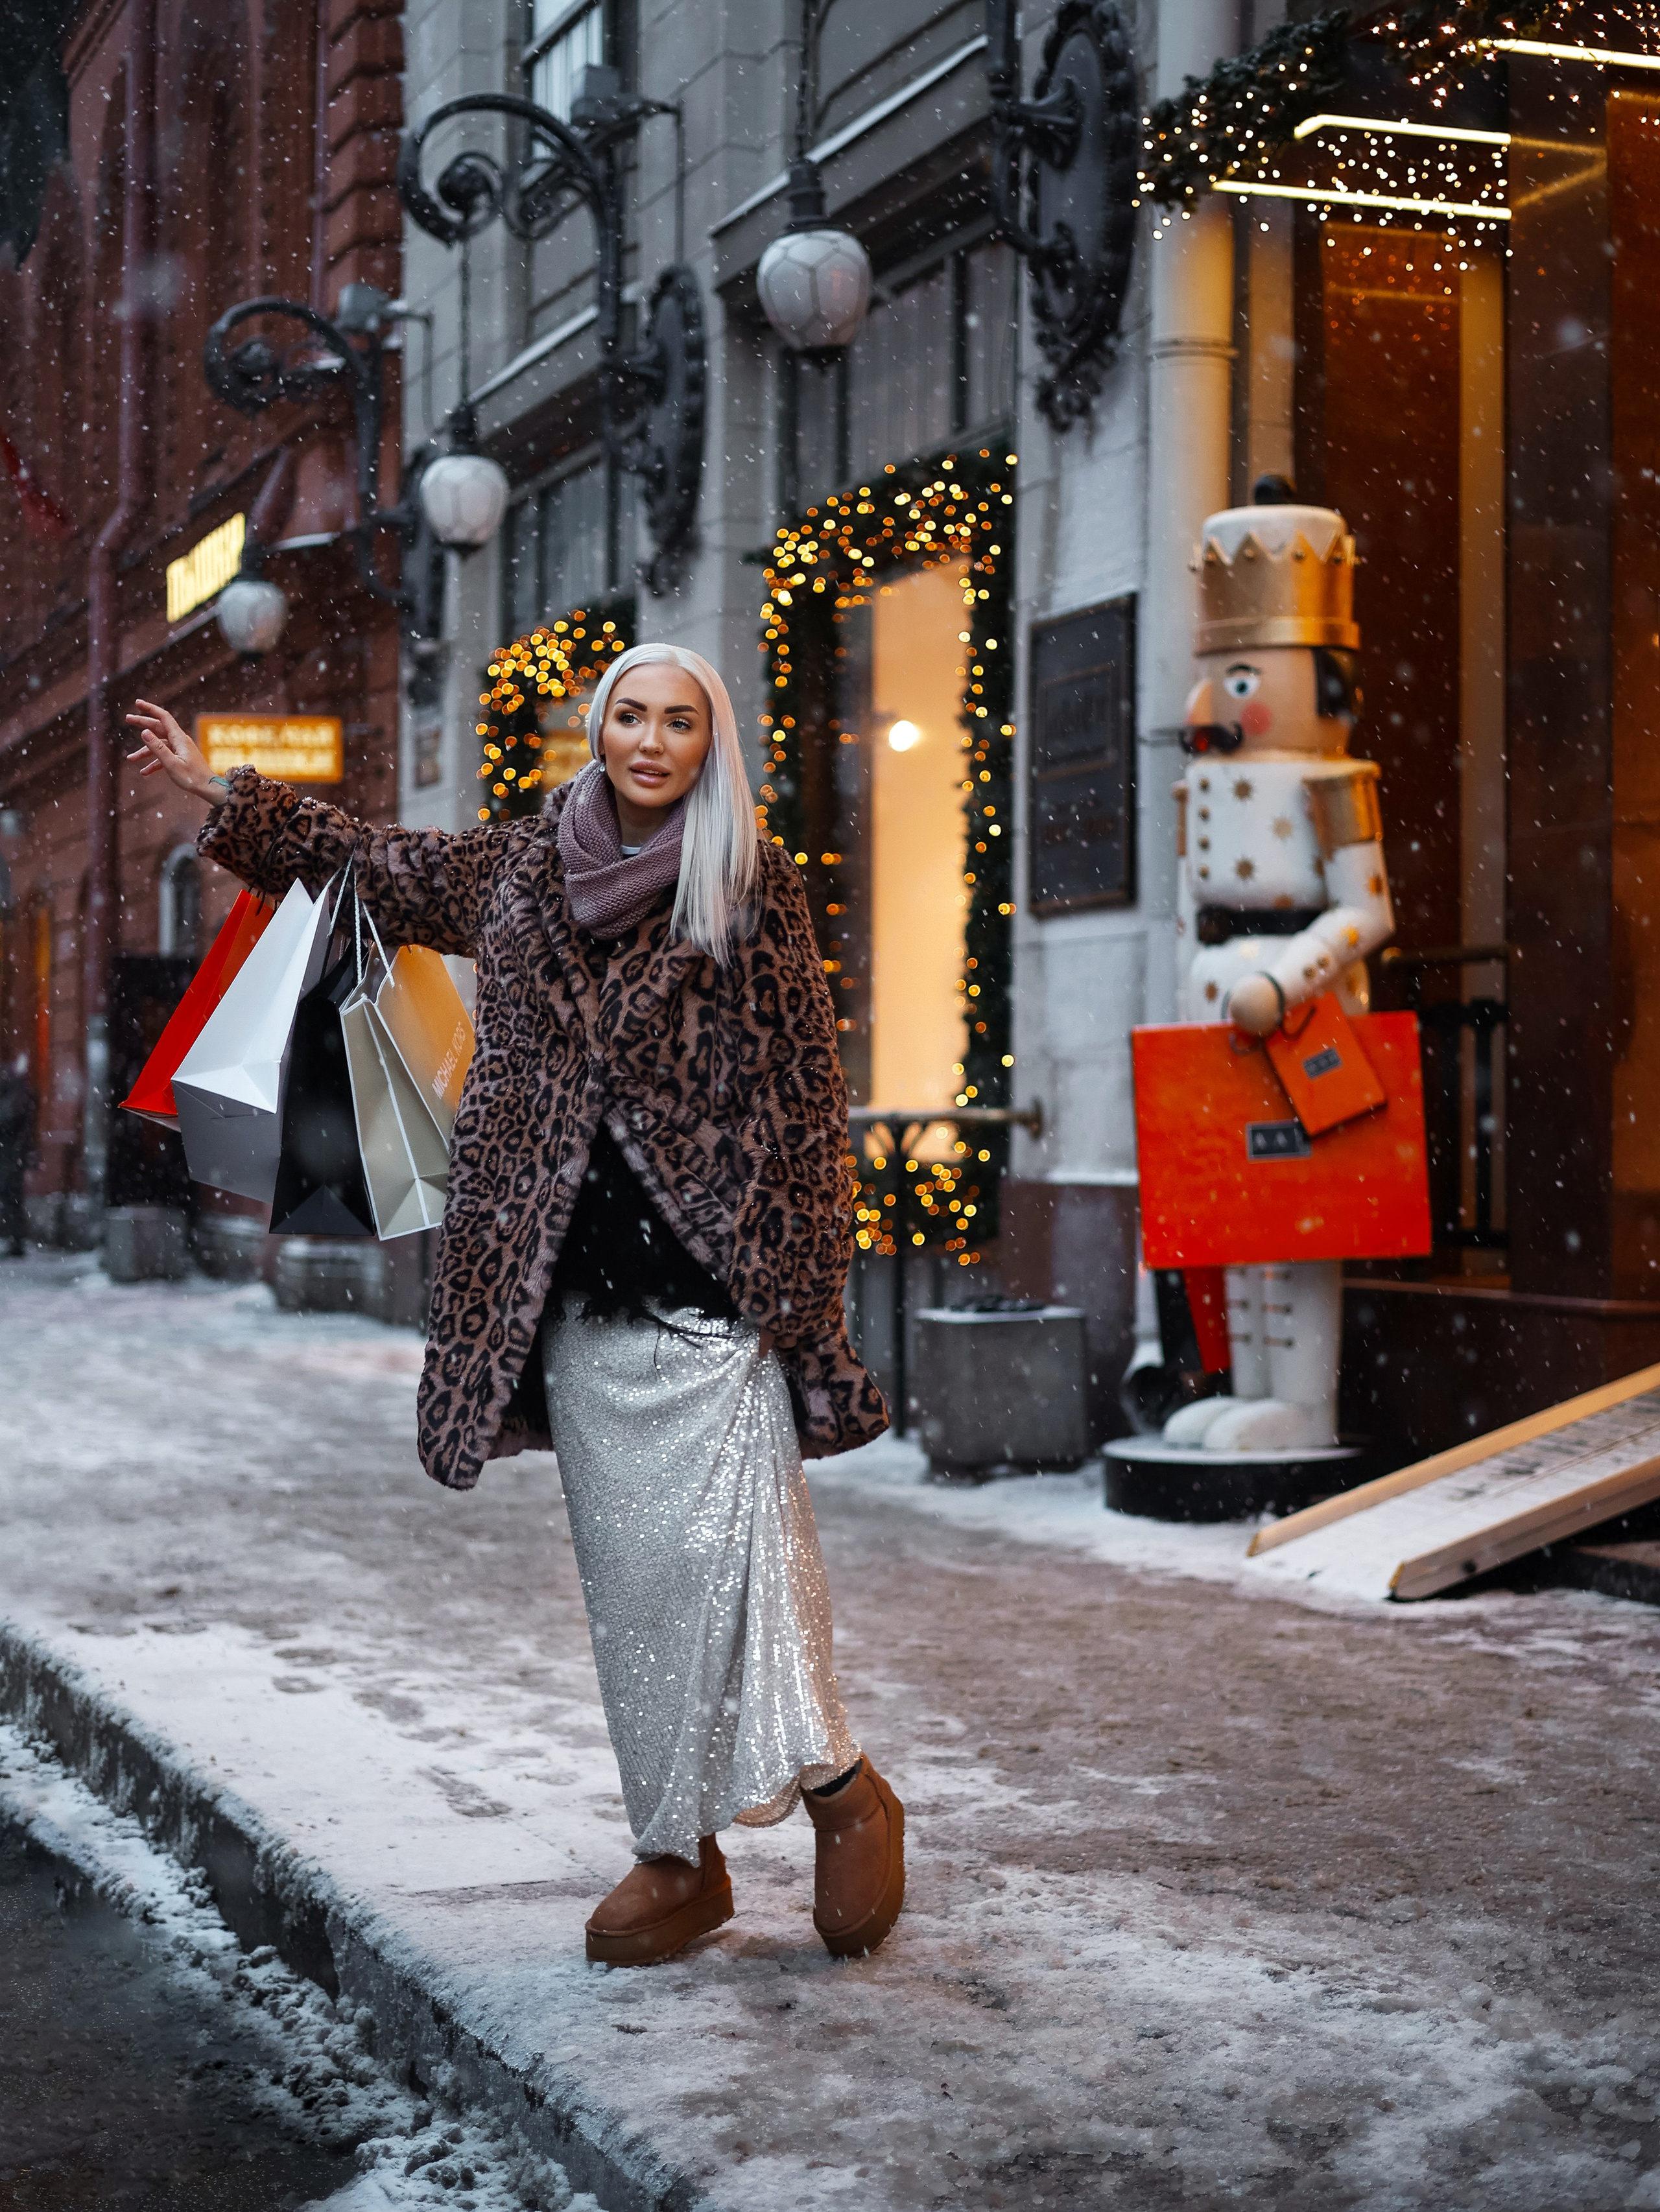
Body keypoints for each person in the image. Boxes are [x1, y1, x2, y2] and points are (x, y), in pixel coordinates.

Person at [124, 648, 902, 1968]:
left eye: (679, 721)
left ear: (709, 743)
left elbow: (802, 1099)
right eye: (631, 716)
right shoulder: (525, 865)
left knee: (746, 1558)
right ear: (598, 727)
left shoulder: (743, 881)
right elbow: (375, 864)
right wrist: (227, 796)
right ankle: (678, 1852)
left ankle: (841, 1791)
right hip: (570, 1287)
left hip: (712, 1290)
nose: (651, 740)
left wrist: (797, 1281)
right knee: (634, 1588)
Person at [0, 1051, 36, 1257]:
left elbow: (8, 1119)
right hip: (11, 1156)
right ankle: (14, 1240)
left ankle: (16, 1241)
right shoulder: (18, 1094)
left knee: (12, 1198)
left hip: (11, 1157)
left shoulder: (18, 1096)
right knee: (11, 1198)